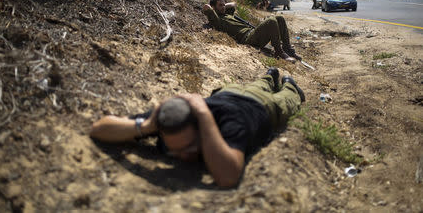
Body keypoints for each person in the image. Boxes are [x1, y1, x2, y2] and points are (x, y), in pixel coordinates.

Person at [90, 68, 305, 188]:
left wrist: (204, 115)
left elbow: (228, 176)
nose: (183, 156)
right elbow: (99, 128)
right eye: (175, 150)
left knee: (288, 97)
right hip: (225, 93)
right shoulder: (173, 119)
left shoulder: (231, 122)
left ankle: (285, 81)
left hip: (260, 105)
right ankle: (268, 76)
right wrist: (145, 126)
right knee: (258, 83)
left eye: (190, 146)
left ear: (201, 124)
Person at [202, 0, 301, 63]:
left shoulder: (227, 14)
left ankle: (288, 49)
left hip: (253, 33)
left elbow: (233, 4)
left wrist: (222, 5)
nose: (223, 7)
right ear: (214, 8)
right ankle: (279, 51)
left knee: (279, 18)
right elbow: (206, 7)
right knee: (271, 20)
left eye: (224, 5)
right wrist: (212, 9)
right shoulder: (217, 20)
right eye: (220, 5)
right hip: (247, 38)